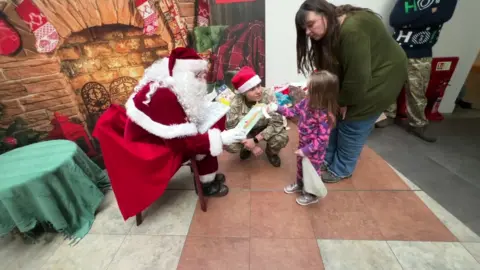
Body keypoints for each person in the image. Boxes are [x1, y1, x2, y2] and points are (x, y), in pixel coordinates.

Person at [94, 48, 247, 220]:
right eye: (196, 75)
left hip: (153, 137)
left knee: (206, 128)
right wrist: (220, 138)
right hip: (146, 149)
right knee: (205, 139)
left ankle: (207, 178)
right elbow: (182, 143)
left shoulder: (171, 83)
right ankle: (205, 185)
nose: (201, 79)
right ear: (183, 74)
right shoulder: (165, 95)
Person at [295, 0, 408, 183]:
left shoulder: (352, 30)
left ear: (325, 14)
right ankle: (326, 158)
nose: (307, 32)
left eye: (310, 25)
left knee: (353, 124)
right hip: (362, 76)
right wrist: (334, 101)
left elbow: (358, 80)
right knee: (332, 118)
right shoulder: (333, 28)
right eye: (304, 29)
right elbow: (338, 70)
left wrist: (343, 101)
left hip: (383, 76)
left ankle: (341, 169)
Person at [376, 0, 459, 143]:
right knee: (388, 86)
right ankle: (388, 115)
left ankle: (418, 124)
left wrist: (410, 19)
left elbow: (442, 16)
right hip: (397, 49)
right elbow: (395, 20)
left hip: (421, 53)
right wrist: (429, 11)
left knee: (417, 91)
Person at [268, 70, 338, 205]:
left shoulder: (325, 116)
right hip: (303, 145)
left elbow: (321, 140)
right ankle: (300, 185)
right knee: (300, 166)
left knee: (311, 172)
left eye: (310, 90)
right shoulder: (306, 102)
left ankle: (311, 194)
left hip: (315, 152)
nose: (306, 92)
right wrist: (276, 107)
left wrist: (306, 151)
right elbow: (292, 111)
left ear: (321, 95)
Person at [225, 66, 289, 167]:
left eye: (258, 85)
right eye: (252, 89)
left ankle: (271, 153)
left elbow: (277, 122)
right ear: (244, 92)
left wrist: (255, 140)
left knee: (281, 138)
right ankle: (246, 148)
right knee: (229, 144)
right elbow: (232, 128)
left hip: (265, 127)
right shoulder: (235, 103)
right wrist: (250, 145)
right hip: (246, 131)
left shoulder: (268, 94)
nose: (259, 91)